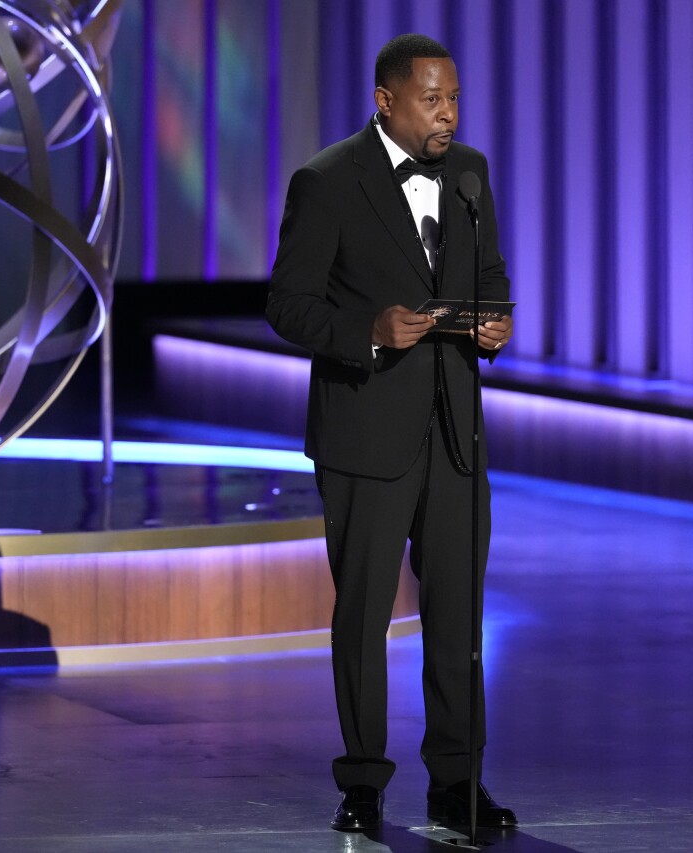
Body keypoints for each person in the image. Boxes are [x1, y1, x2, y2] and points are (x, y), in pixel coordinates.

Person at [266, 33, 517, 833]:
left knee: (459, 615)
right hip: (365, 431)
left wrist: (494, 323)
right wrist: (367, 332)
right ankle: (364, 780)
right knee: (364, 614)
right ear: (386, 100)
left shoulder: (470, 173)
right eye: (431, 99)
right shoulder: (328, 181)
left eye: (454, 99)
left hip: (455, 433)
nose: (448, 114)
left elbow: (488, 277)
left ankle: (458, 782)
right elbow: (287, 304)